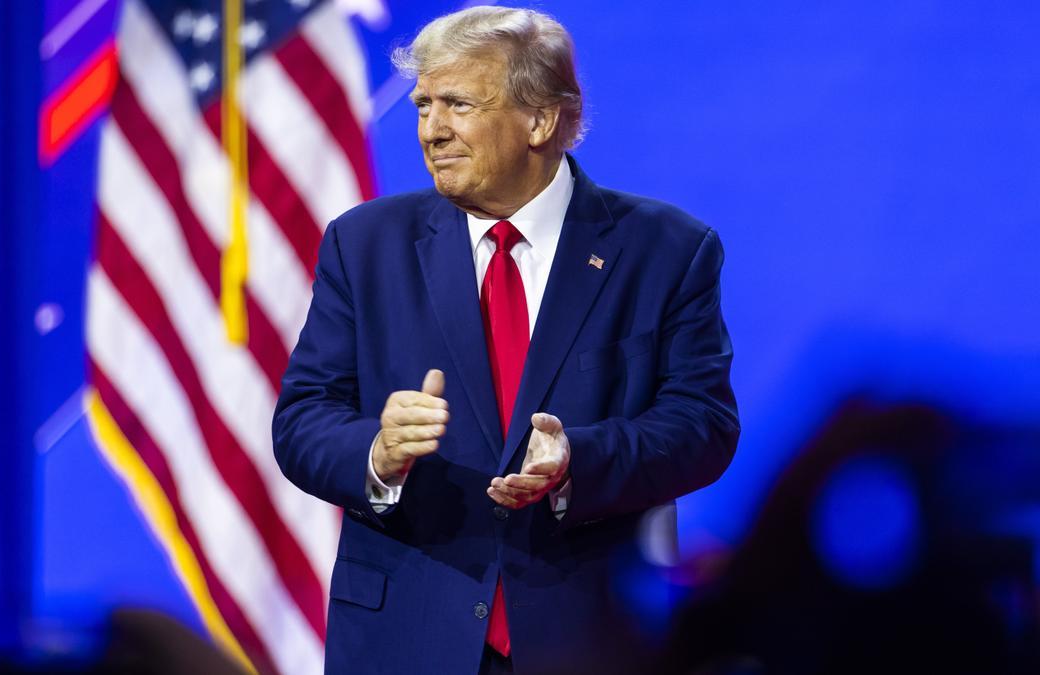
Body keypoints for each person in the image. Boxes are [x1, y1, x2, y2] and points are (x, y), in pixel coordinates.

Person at [272, 6, 739, 674]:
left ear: (541, 120)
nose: (432, 130)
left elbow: (703, 425)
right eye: (424, 105)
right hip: (406, 638)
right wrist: (376, 450)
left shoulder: (666, 250)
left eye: (458, 104)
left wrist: (581, 457)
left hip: (586, 638)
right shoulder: (364, 243)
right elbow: (301, 421)